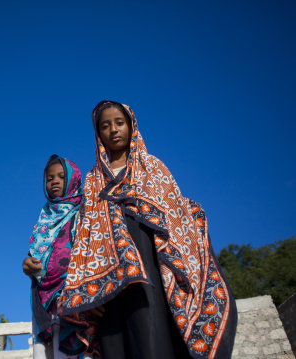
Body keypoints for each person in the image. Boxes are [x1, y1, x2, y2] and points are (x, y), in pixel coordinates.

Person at [59, 101, 237, 359]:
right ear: (98, 134)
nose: (113, 130)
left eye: (119, 123)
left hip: (150, 270)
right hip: (108, 285)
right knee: (117, 344)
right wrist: (87, 294)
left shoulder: (153, 168)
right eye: (105, 126)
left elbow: (175, 217)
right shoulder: (92, 180)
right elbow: (85, 238)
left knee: (152, 336)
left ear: (131, 126)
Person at [23, 154, 90, 359]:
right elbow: (34, 254)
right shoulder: (45, 216)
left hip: (74, 297)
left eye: (61, 177)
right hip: (44, 300)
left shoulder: (85, 211)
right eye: (50, 178)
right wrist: (27, 264)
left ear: (73, 180)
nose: (55, 182)